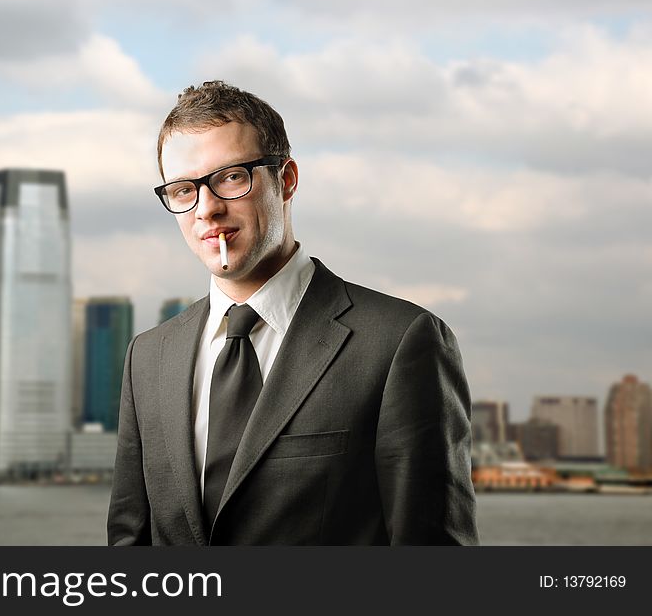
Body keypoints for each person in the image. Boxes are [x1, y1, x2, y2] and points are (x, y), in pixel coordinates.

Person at [107, 81, 478, 545]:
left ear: (285, 180)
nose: (208, 209)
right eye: (184, 189)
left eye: (230, 177)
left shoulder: (399, 342)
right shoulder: (149, 355)